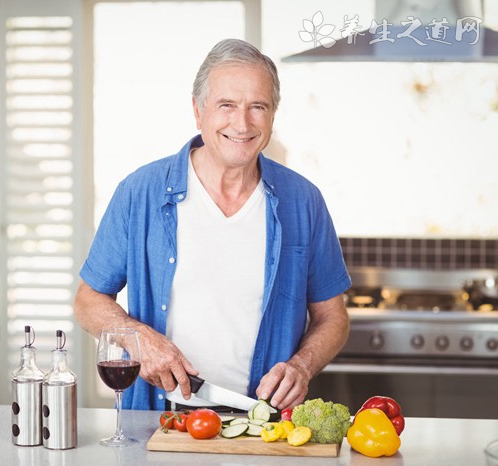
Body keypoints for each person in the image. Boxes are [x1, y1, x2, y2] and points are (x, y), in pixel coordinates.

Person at [74, 39, 350, 412]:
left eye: (258, 107)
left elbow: (333, 317)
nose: (242, 123)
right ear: (198, 111)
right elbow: (88, 300)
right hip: (159, 421)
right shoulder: (140, 193)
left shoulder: (304, 201)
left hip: (263, 425)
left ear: (272, 115)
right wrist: (139, 340)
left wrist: (302, 366)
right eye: (227, 106)